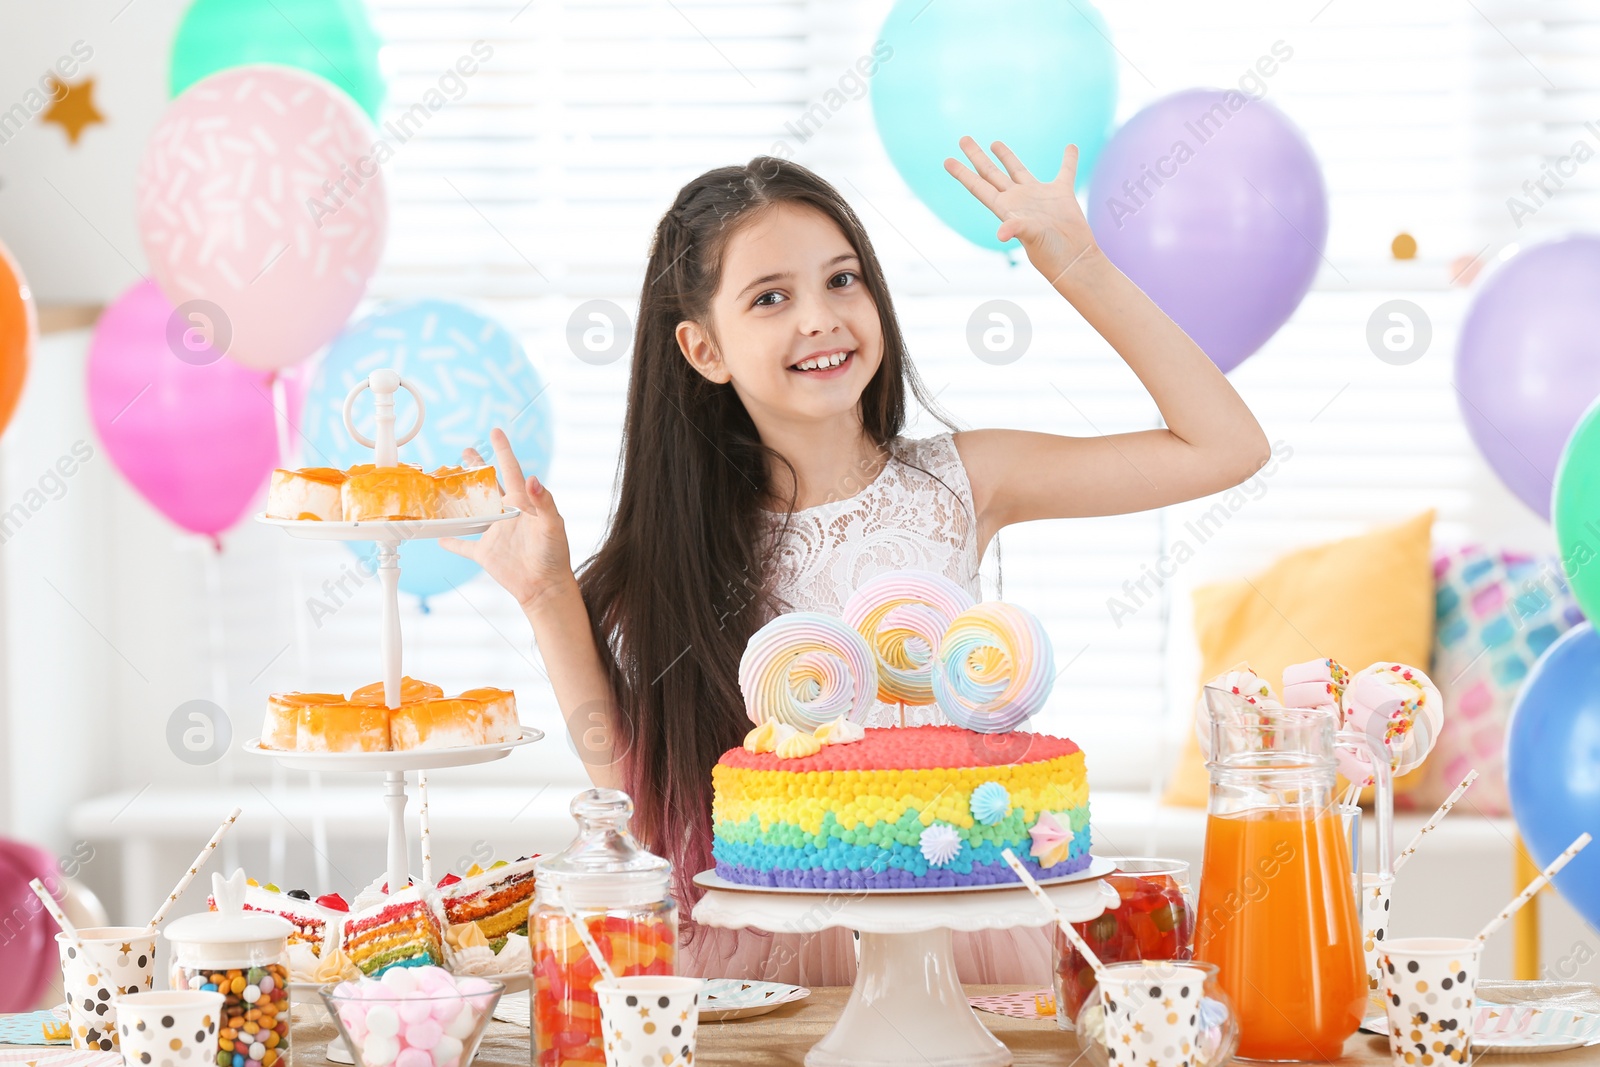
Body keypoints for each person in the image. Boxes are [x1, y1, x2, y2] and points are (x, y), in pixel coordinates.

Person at [442, 137, 1268, 984]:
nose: (819, 318)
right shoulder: (682, 555)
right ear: (704, 350)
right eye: (771, 297)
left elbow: (1225, 447)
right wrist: (545, 593)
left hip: (960, 938)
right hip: (777, 960)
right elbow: (635, 789)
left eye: (843, 278)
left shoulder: (963, 481)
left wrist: (1081, 263)